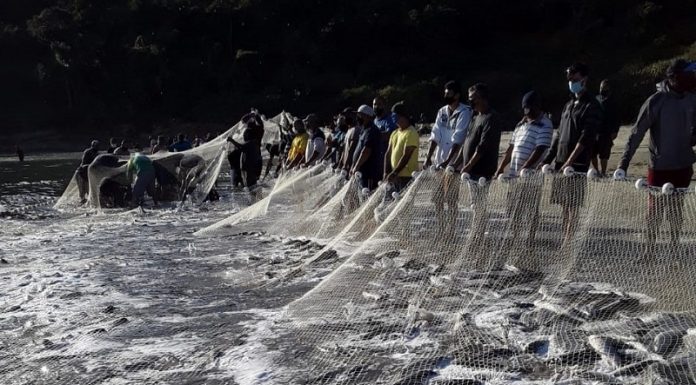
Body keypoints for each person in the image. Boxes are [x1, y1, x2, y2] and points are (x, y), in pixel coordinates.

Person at [617, 59, 696, 259]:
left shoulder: (692, 99)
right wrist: (623, 164)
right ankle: (649, 250)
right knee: (655, 212)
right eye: (690, 74)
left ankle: (674, 248)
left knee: (676, 211)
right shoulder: (656, 101)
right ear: (676, 77)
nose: (694, 78)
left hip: (684, 165)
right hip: (660, 167)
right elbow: (636, 133)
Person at [542, 62, 602, 246]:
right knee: (563, 203)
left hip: (577, 164)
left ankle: (569, 239)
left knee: (573, 203)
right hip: (560, 161)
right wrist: (548, 160)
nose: (571, 82)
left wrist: (570, 161)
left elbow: (586, 137)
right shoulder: (568, 105)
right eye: (569, 79)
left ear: (584, 79)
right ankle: (565, 235)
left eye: (574, 79)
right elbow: (558, 134)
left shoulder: (591, 105)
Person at [495, 90, 553, 248]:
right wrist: (501, 168)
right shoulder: (520, 124)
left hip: (531, 176)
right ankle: (515, 237)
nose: (529, 114)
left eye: (531, 110)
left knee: (531, 209)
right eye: (526, 110)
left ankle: (530, 239)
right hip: (514, 175)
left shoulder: (545, 124)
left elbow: (540, 148)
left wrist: (525, 168)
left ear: (538, 106)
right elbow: (511, 147)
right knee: (514, 209)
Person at [453, 83, 503, 258]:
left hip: (482, 172)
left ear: (482, 98)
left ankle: (478, 238)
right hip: (470, 172)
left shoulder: (491, 117)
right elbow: (467, 142)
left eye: (472, 99)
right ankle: (476, 236)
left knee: (480, 206)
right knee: (475, 206)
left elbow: (482, 146)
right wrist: (457, 163)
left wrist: (468, 166)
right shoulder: (475, 117)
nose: (470, 102)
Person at [424, 80, 473, 231]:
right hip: (439, 162)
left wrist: (448, 162)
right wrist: (428, 157)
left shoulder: (465, 112)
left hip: (453, 164)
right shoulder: (442, 111)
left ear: (457, 95)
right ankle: (440, 227)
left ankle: (451, 229)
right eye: (445, 93)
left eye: (449, 93)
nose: (446, 95)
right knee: (437, 198)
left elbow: (459, 139)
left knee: (451, 198)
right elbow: (435, 134)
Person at [383, 102, 419, 193]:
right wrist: (386, 171)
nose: (393, 118)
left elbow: (406, 156)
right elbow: (388, 153)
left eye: (395, 115)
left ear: (403, 116)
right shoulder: (394, 133)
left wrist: (395, 172)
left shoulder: (411, 133)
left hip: (406, 176)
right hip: (393, 176)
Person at [591, 79, 620, 176]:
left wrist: (615, 131)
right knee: (592, 153)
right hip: (595, 131)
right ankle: (596, 170)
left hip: (607, 131)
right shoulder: (596, 99)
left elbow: (617, 117)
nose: (602, 89)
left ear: (608, 88)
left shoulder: (613, 101)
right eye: (601, 87)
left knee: (604, 154)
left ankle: (603, 172)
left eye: (604, 88)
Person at [350, 105, 381, 191]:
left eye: (360, 115)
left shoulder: (372, 130)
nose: (357, 118)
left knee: (367, 195)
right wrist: (354, 165)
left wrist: (356, 166)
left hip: (368, 173)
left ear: (367, 116)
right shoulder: (364, 130)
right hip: (361, 172)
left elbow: (366, 151)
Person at [228, 122, 263, 190]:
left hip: (249, 169)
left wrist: (231, 140)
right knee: (250, 185)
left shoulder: (250, 143)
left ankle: (254, 199)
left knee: (250, 186)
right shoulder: (254, 143)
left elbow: (241, 147)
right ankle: (254, 199)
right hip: (250, 169)